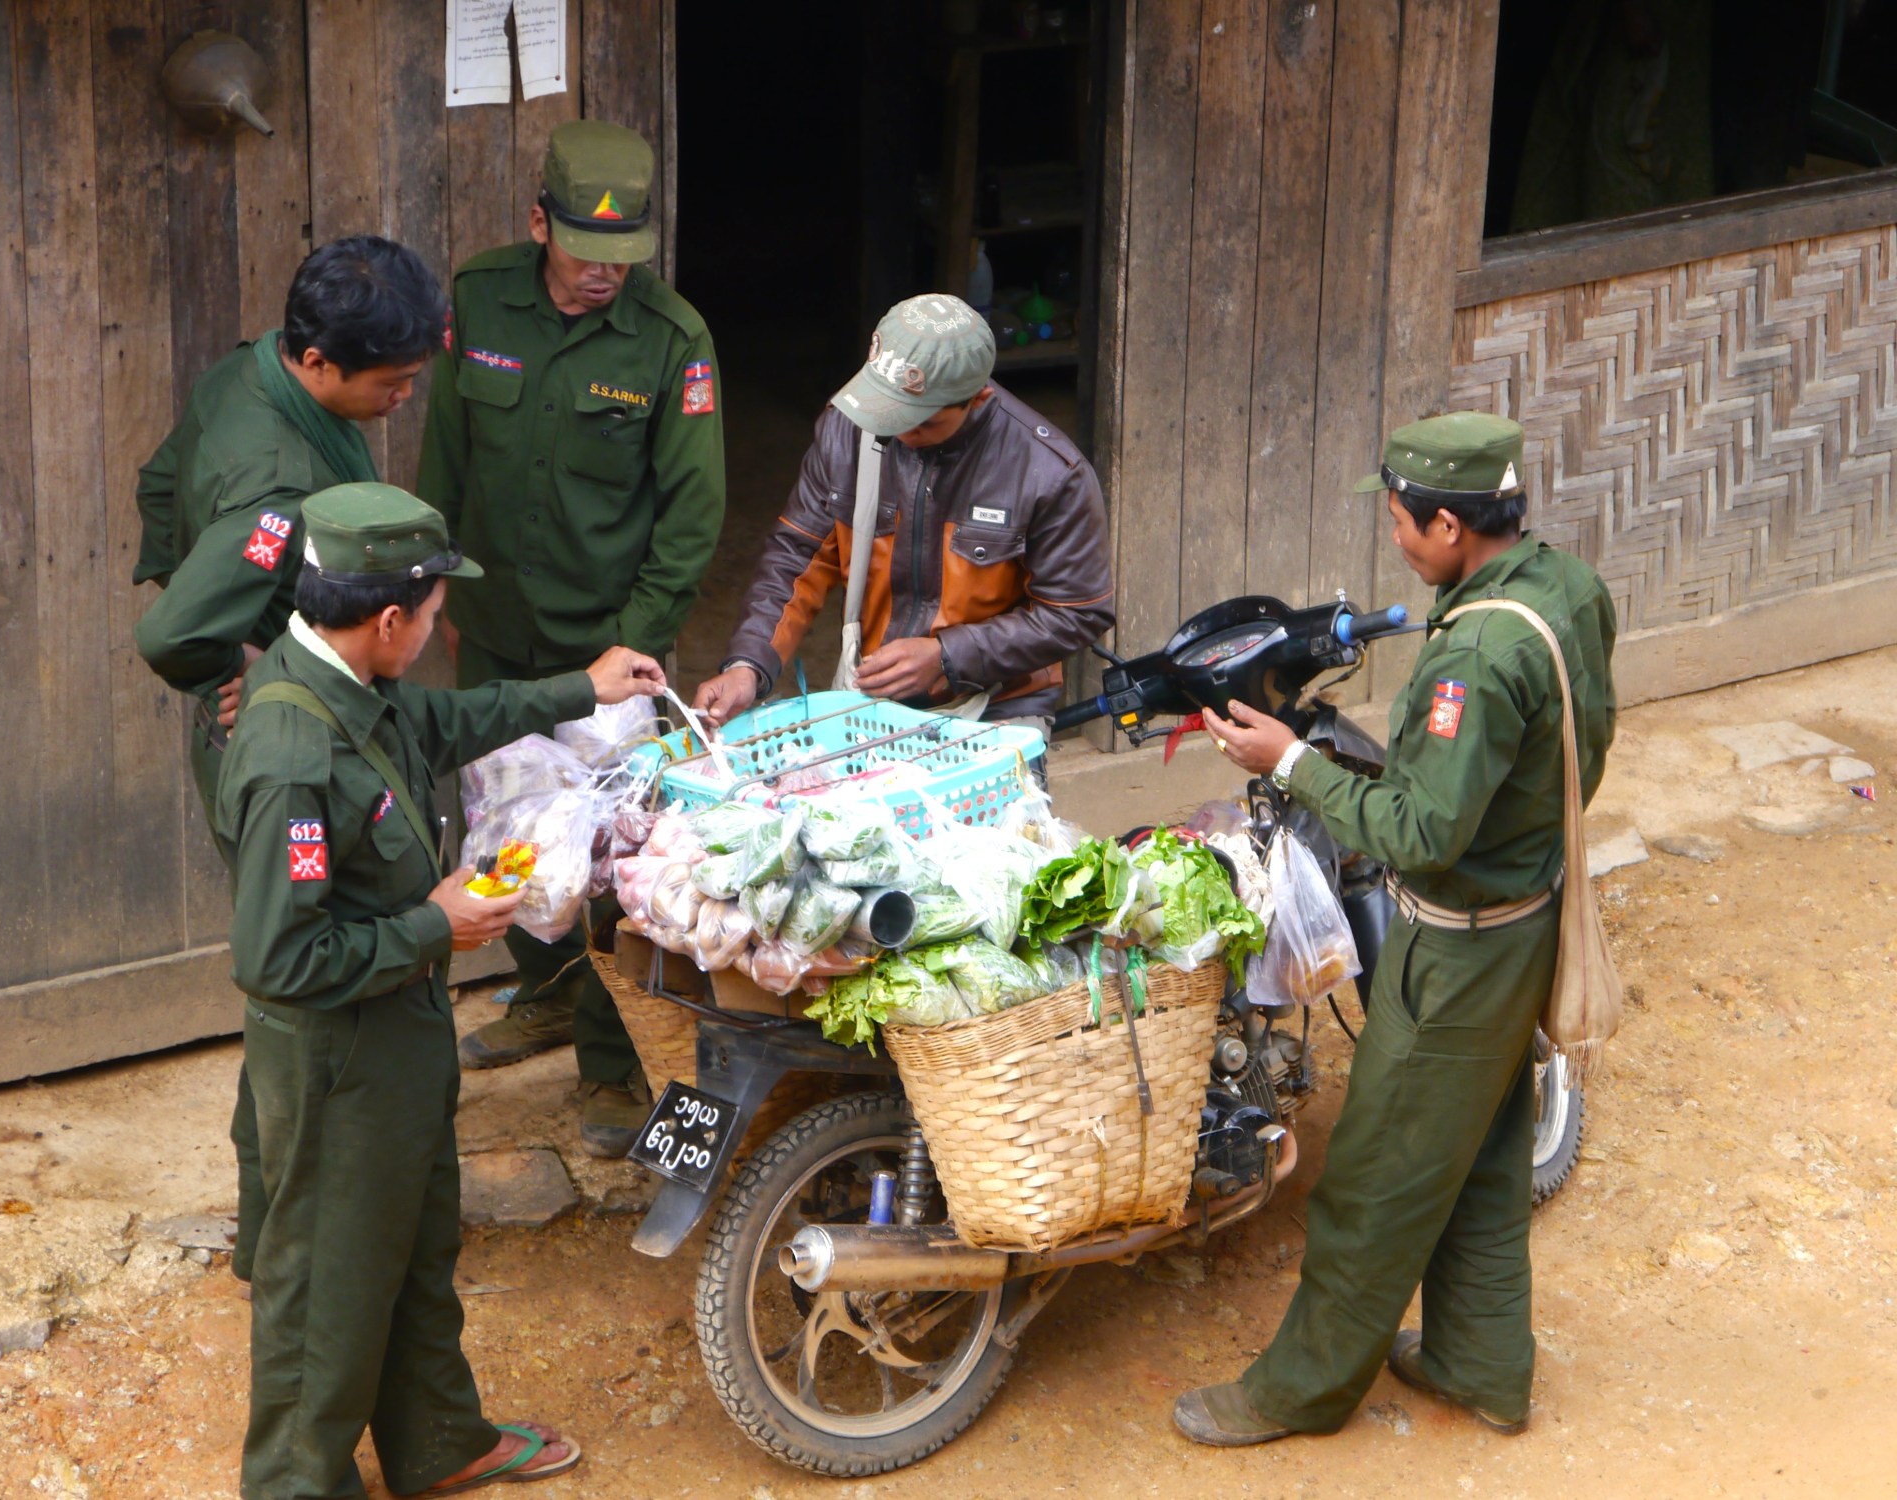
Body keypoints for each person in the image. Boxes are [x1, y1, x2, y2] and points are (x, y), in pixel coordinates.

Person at [1174, 412, 1617, 1447]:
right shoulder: (1562, 587)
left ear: (1452, 528)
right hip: (1525, 920)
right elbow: (1576, 748)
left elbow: (1419, 833)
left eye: (1400, 521)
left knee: (1372, 1177)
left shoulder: (1474, 654)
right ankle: (1480, 1364)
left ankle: (1299, 1392)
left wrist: (1291, 761)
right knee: (1480, 1153)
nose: (1393, 536)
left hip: (1457, 946)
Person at [217, 481, 665, 1497]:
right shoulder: (295, 752)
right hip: (338, 1060)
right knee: (324, 1283)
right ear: (387, 619)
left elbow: (452, 717)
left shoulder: (355, 688)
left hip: (397, 1032)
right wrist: (437, 926)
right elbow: (277, 961)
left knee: (413, 1250)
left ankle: (433, 1443)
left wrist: (579, 688)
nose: (439, 627)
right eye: (431, 612)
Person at [133, 235, 446, 1280]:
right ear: (317, 363)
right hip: (285, 740)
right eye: (391, 382)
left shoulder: (249, 369)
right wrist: (245, 656)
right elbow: (171, 634)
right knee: (304, 985)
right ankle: (304, 1237)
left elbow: (157, 482)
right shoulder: (277, 478)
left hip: (300, 712)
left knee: (287, 988)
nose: (404, 397)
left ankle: (273, 1229)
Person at [417, 119, 725, 1142]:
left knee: (608, 858)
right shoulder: (478, 299)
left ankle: (607, 1053)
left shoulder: (670, 340)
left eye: (623, 257)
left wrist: (628, 650)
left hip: (609, 650)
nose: (604, 275)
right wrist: (444, 601)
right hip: (497, 636)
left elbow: (689, 520)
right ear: (536, 220)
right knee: (506, 834)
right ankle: (539, 991)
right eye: (585, 252)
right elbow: (444, 467)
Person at [693, 292, 1114, 733]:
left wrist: (948, 656)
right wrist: (750, 662)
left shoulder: (1049, 472)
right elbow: (797, 556)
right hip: (875, 692)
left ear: (978, 398)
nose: (901, 431)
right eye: (888, 412)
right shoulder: (847, 428)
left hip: (1000, 704)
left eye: (923, 421)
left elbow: (1077, 612)